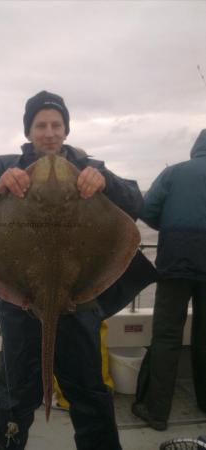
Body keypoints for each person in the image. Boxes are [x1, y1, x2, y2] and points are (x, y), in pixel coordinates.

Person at [0, 91, 155, 450]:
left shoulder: (90, 166)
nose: (49, 132)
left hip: (78, 298)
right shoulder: (4, 165)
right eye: (40, 125)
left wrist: (106, 183)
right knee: (16, 391)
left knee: (89, 390)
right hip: (22, 300)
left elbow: (136, 202)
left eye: (56, 124)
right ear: (28, 131)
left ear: (66, 130)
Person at [132, 129, 206, 431]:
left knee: (166, 337)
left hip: (176, 262)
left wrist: (169, 226)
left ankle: (156, 412)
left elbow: (146, 209)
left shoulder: (173, 173)